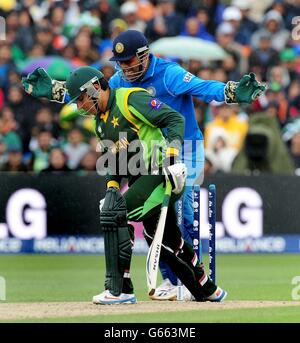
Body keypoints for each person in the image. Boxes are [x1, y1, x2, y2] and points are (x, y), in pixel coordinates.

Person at [21, 30, 266, 301]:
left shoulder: (168, 74)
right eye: (120, 62)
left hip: (185, 146)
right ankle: (175, 282)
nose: (124, 68)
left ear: (144, 56)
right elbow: (91, 93)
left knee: (181, 213)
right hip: (148, 153)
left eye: (128, 62)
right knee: (155, 219)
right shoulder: (119, 80)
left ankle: (190, 282)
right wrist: (54, 92)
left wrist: (232, 93)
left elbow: (204, 87)